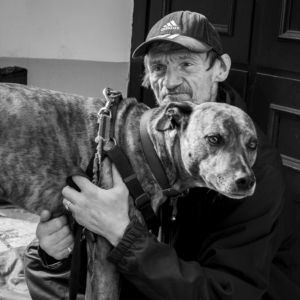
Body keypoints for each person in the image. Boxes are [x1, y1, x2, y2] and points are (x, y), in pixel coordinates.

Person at [24, 11, 300, 300]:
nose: (170, 82)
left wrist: (122, 233)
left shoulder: (252, 172)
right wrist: (58, 250)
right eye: (158, 68)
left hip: (217, 291)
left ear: (220, 68)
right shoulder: (148, 136)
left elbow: (224, 293)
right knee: (38, 259)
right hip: (160, 272)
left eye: (186, 64)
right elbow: (99, 239)